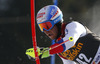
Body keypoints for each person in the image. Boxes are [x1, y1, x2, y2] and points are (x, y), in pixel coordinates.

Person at [26, 5, 100, 64]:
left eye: (47, 26)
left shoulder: (73, 26)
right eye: (42, 27)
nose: (45, 31)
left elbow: (70, 41)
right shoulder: (60, 50)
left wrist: (45, 52)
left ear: (56, 21)